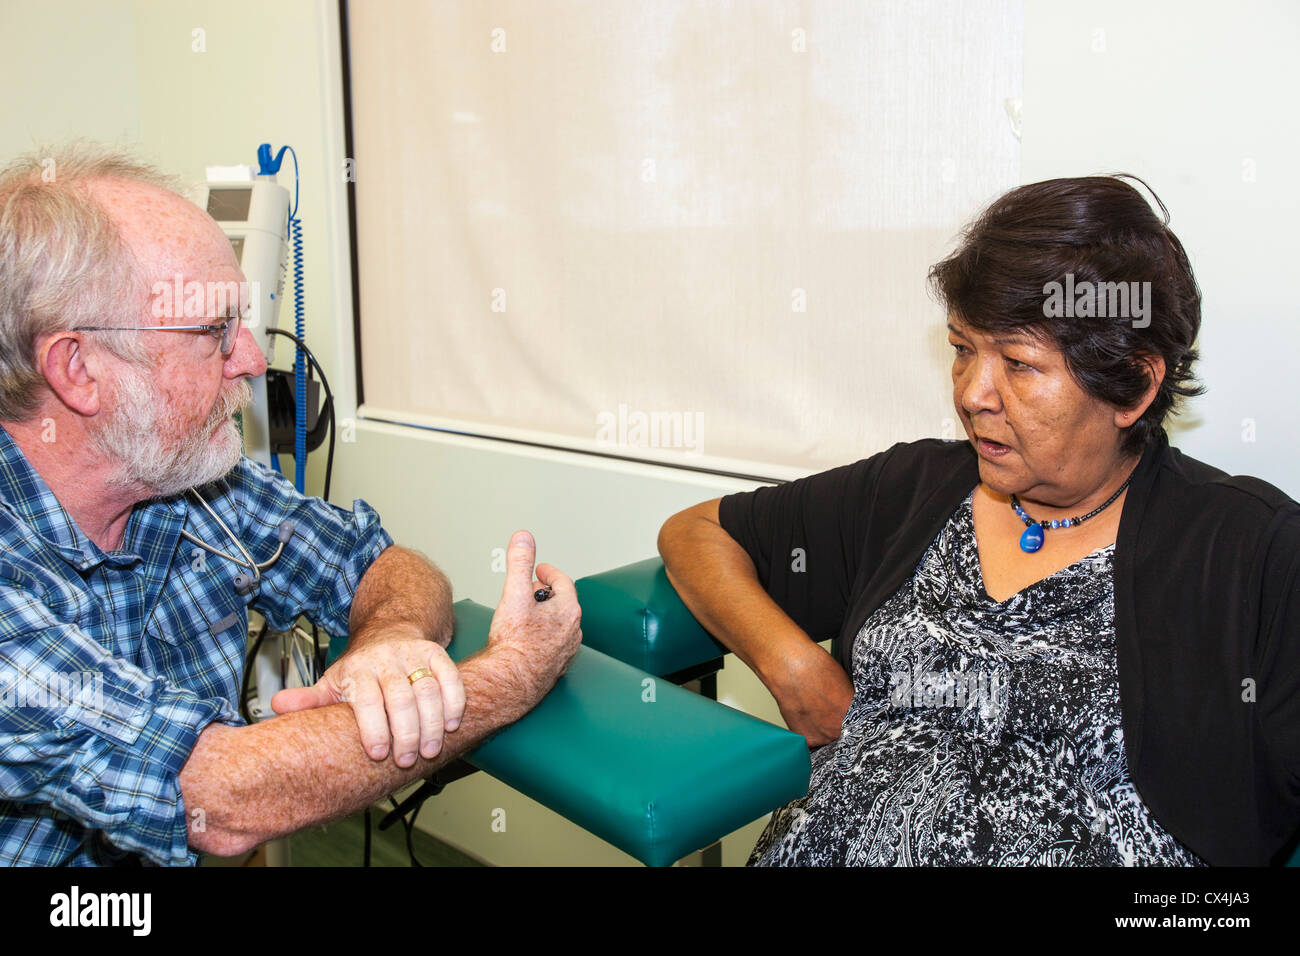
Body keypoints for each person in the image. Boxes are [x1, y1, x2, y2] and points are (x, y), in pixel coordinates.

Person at [659, 175, 1300, 866]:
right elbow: (695, 533)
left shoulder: (1250, 552)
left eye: (1019, 365)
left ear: (1135, 384)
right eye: (964, 348)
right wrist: (792, 665)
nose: (971, 393)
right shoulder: (913, 489)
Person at [0, 144, 581, 865]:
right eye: (214, 330)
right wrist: (510, 674)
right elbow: (219, 795)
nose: (251, 357)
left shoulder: (188, 481)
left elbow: (377, 562)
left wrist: (389, 646)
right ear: (79, 370)